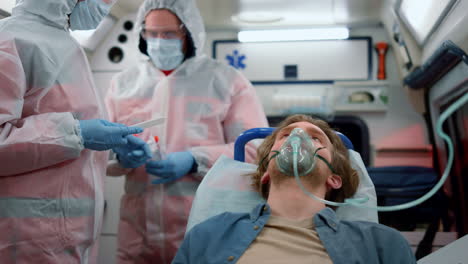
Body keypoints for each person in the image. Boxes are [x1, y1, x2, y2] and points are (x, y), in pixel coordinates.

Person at [104, 0, 269, 262]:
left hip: (202, 224)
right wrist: (121, 158)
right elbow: (101, 149)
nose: (159, 41)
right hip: (138, 231)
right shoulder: (123, 84)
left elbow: (254, 149)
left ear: (188, 31)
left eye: (169, 33)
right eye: (152, 33)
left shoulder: (225, 81)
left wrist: (195, 160)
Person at [0, 0, 151, 263]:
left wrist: (113, 149)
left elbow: (62, 150)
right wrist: (77, 133)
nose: (103, 6)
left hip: (69, 240)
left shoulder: (65, 44)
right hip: (23, 243)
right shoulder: (10, 41)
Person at [173, 114, 416, 264]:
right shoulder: (209, 235)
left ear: (335, 178)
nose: (297, 138)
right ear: (266, 170)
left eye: (316, 138)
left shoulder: (381, 245)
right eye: (286, 135)